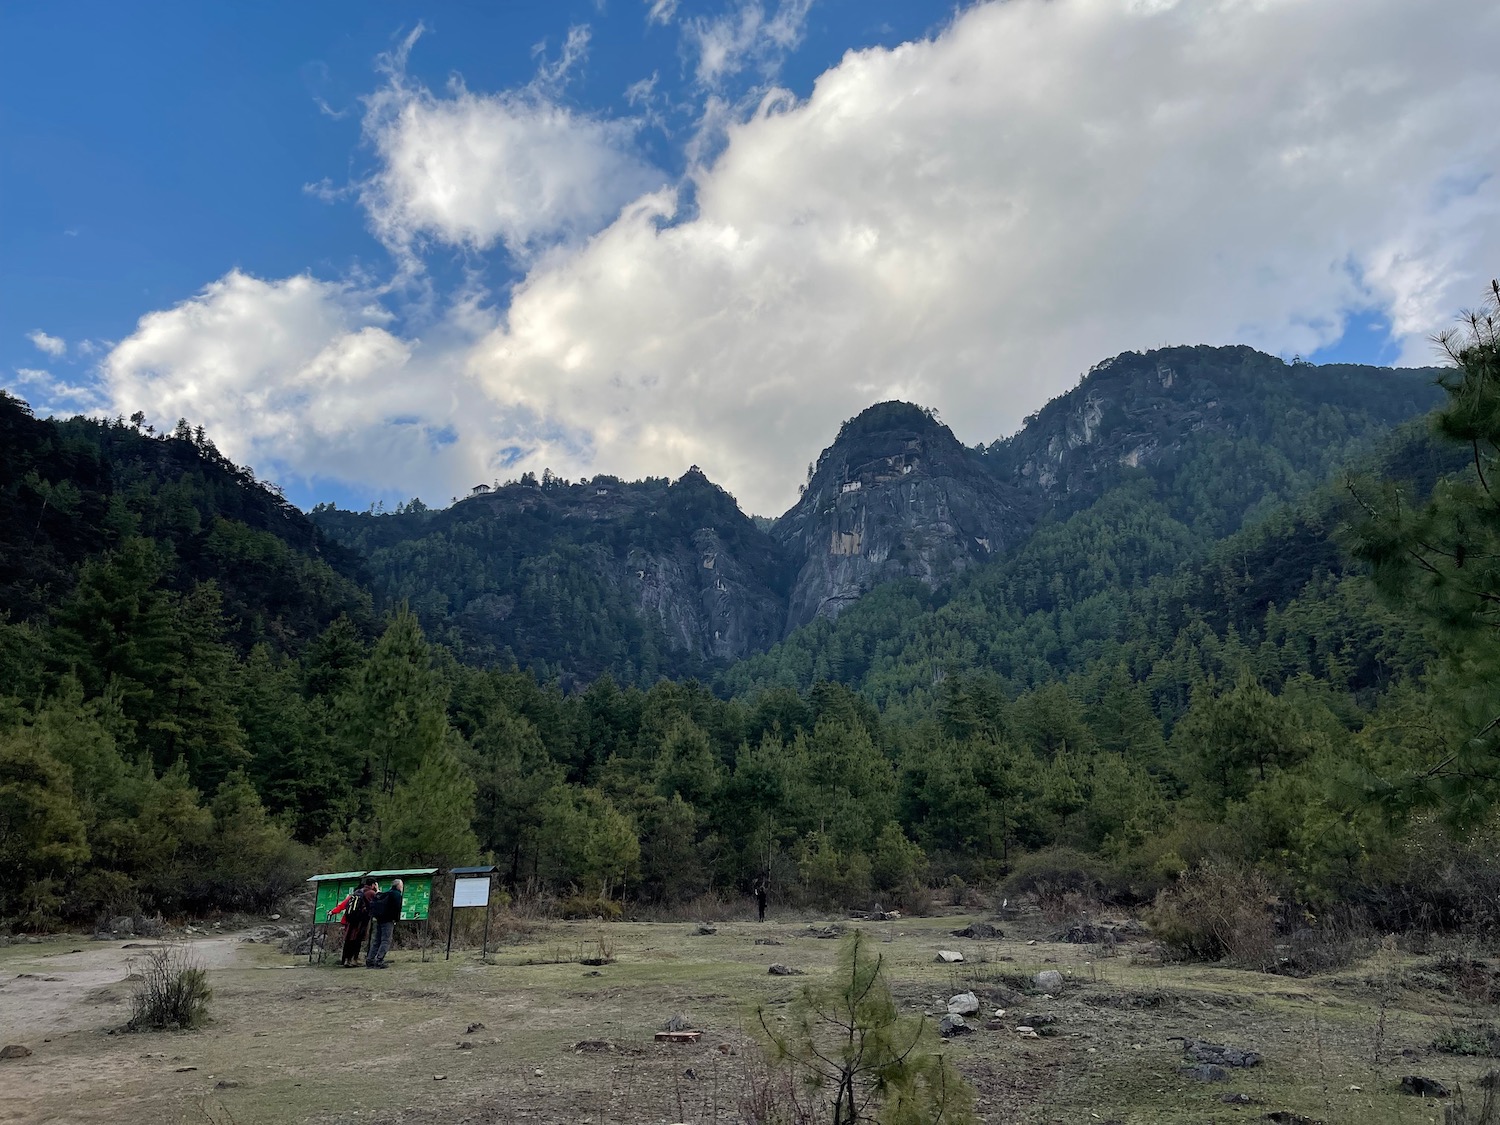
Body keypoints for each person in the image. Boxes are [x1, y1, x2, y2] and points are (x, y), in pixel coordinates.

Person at [330, 879, 376, 967]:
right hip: (361, 921)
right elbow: (375, 904)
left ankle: (346, 960)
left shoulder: (356, 893)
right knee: (357, 940)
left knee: (349, 940)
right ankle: (354, 959)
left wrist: (333, 912)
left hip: (350, 920)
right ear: (373, 885)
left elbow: (343, 904)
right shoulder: (370, 893)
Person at [366, 878, 404, 969]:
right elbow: (397, 908)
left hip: (380, 919)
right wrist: (395, 920)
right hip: (388, 921)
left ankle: (370, 960)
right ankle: (379, 960)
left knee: (377, 941)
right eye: (401, 885)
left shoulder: (386, 893)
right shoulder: (397, 895)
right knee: (386, 940)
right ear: (399, 886)